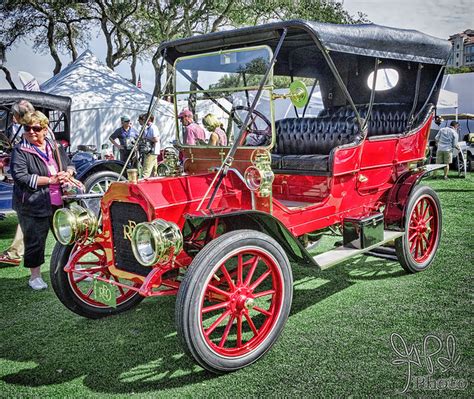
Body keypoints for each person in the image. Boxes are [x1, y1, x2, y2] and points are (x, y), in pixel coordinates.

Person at [10, 111, 75, 290]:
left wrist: (67, 173)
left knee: (68, 236)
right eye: (27, 128)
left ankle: (72, 269)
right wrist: (50, 180)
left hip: (59, 201)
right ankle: (35, 277)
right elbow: (21, 177)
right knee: (35, 240)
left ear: (45, 129)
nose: (31, 132)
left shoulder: (55, 146)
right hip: (32, 203)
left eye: (36, 128)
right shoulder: (20, 150)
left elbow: (69, 164)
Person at [0, 100, 35, 267]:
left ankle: (16, 252)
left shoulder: (34, 130)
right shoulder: (25, 129)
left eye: (15, 115)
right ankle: (15, 252)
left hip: (38, 182)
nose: (13, 118)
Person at [138, 113, 160, 178]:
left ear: (149, 119)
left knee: (146, 171)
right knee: (154, 172)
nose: (144, 120)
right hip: (151, 152)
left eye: (145, 119)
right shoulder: (148, 128)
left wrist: (146, 137)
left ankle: (142, 185)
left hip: (151, 152)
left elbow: (156, 139)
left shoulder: (153, 127)